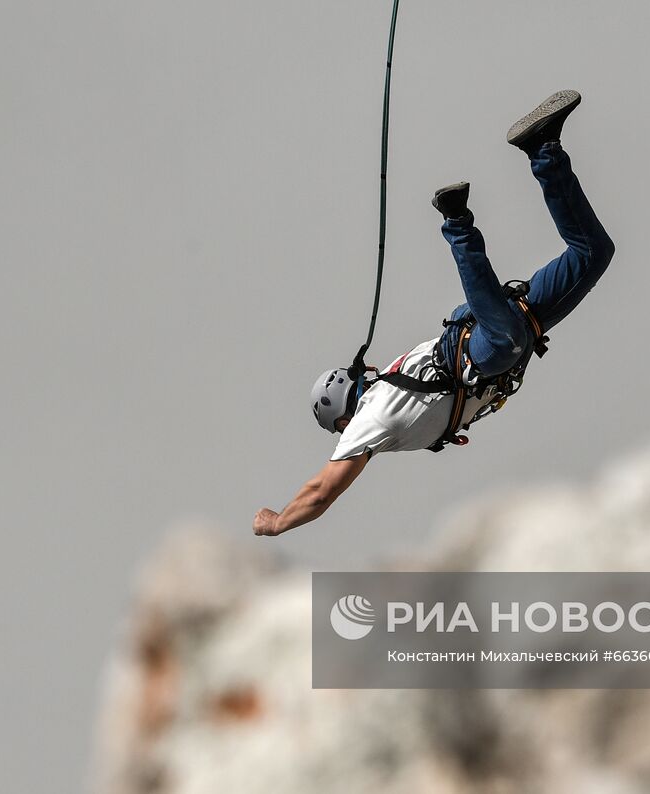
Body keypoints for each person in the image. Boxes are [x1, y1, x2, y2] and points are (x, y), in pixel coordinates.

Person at [253, 89, 615, 537]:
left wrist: (278, 522)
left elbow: (320, 492)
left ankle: (457, 222)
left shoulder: (370, 418)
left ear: (344, 421)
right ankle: (542, 147)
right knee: (593, 253)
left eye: (343, 431)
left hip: (486, 346)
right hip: (504, 325)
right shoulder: (385, 383)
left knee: (506, 342)